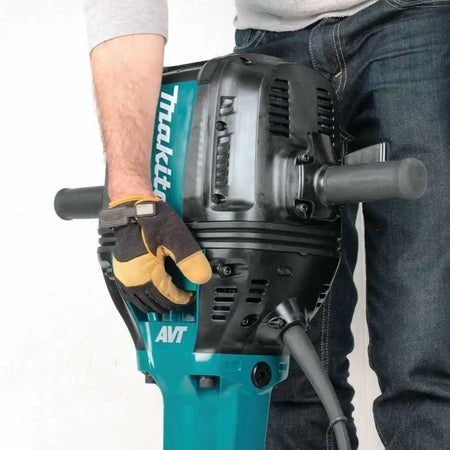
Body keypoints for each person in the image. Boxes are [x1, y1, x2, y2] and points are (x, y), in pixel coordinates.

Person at [84, 1, 450, 448]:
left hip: (416, 20)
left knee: (425, 365)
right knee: (279, 380)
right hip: (269, 43)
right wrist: (129, 202)